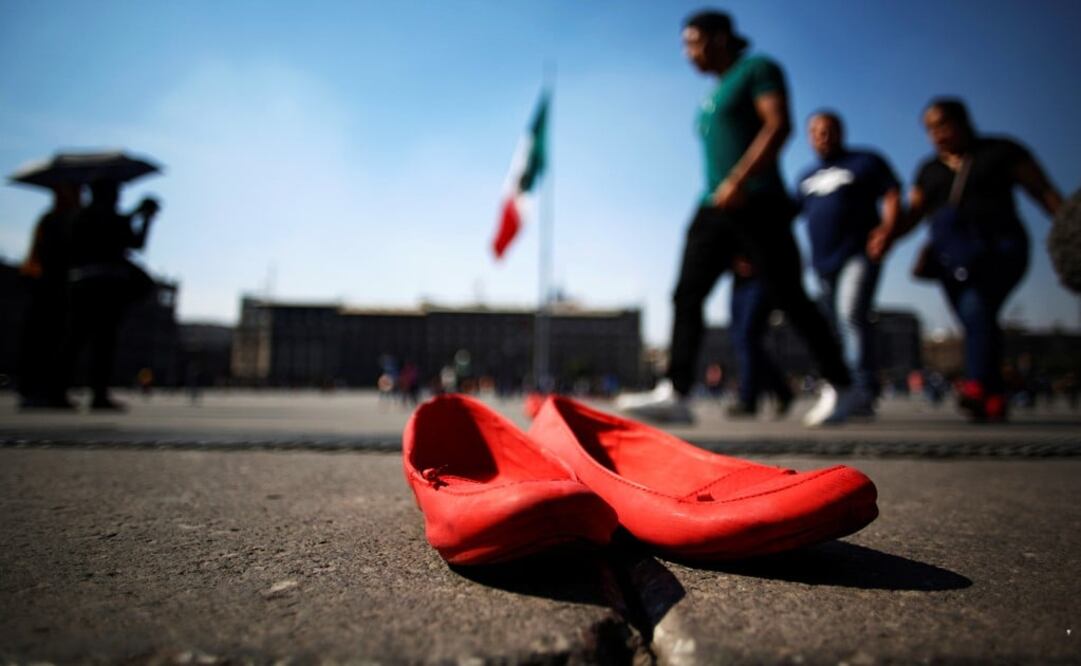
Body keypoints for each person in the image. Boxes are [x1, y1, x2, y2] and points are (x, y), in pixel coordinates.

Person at [617, 9, 852, 426]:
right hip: (712, 205)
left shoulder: (756, 70)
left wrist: (740, 179)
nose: (689, 54)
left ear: (720, 37)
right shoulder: (712, 93)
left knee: (789, 296)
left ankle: (844, 386)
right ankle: (677, 390)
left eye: (694, 43)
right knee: (686, 293)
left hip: (755, 201)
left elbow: (778, 125)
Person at [867, 98, 1062, 421]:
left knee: (977, 307)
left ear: (962, 121)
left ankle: (978, 385)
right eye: (930, 129)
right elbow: (913, 215)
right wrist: (887, 235)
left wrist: (1068, 223)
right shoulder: (929, 170)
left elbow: (1042, 190)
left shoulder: (1000, 151)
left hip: (1001, 248)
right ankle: (994, 394)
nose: (937, 134)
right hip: (952, 258)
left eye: (942, 124)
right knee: (977, 318)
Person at [795, 111, 902, 417]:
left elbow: (892, 193)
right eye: (815, 131)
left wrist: (887, 229)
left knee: (850, 312)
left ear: (840, 131)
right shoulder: (805, 177)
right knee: (832, 324)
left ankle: (861, 388)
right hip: (821, 263)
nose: (822, 136)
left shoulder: (865, 162)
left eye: (828, 130)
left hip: (858, 252)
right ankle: (840, 383)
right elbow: (787, 216)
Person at [64, 179, 160, 410]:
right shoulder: (92, 218)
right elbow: (136, 244)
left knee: (87, 339)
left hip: (92, 284)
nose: (117, 198)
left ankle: (86, 391)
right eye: (114, 193)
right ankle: (89, 392)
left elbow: (135, 244)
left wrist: (142, 217)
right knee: (92, 340)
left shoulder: (85, 217)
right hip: (100, 284)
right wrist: (142, 217)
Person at [17, 182, 82, 409]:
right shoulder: (57, 220)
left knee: (51, 338)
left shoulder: (55, 219)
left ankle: (48, 389)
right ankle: (40, 389)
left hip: (54, 285)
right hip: (52, 284)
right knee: (48, 338)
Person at [726, 256, 793, 418]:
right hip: (738, 280)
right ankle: (781, 390)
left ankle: (748, 398)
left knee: (747, 336)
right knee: (742, 340)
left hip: (761, 273)